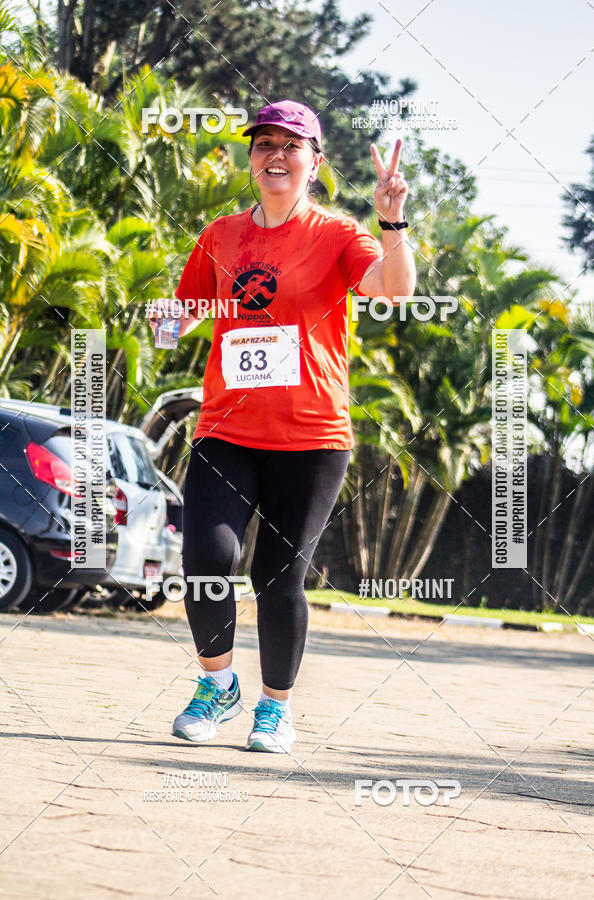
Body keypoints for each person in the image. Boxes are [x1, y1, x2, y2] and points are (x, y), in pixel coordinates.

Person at [148, 100, 416, 753]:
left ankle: (276, 707)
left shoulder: (337, 234)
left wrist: (392, 223)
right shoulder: (220, 235)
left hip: (312, 435)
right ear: (252, 158)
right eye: (264, 142)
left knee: (278, 576)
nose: (276, 154)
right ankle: (217, 684)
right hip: (226, 428)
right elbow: (179, 316)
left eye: (291, 145)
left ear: (314, 162)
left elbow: (394, 288)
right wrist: (165, 320)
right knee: (208, 558)